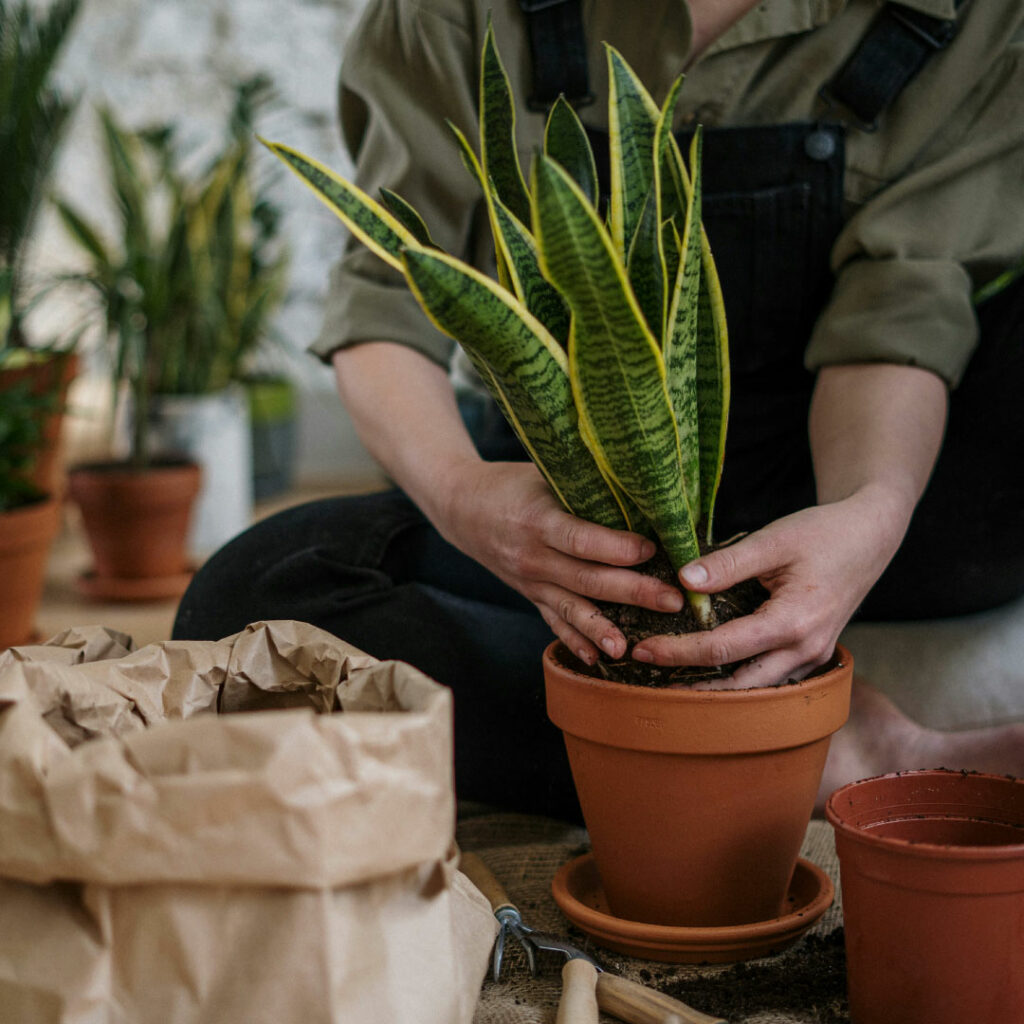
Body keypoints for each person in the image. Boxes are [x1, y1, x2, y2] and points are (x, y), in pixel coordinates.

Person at [174, 0, 1024, 818]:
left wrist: (869, 513)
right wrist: (466, 497)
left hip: (879, 481)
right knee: (251, 597)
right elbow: (387, 303)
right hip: (587, 512)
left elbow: (899, 311)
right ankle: (826, 754)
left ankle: (700, 733)